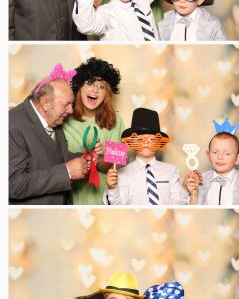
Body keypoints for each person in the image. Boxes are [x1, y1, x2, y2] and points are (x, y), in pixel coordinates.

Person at [9, 64, 88, 205]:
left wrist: (83, 158)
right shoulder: (12, 124)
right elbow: (14, 184)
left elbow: (52, 157)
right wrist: (66, 172)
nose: (71, 110)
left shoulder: (54, 118)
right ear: (45, 102)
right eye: (66, 104)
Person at [63, 58, 125, 205]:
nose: (95, 90)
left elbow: (115, 165)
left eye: (101, 87)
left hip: (101, 202)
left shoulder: (116, 121)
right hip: (69, 202)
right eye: (90, 83)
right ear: (80, 87)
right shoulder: (63, 117)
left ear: (106, 94)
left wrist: (100, 158)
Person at [103, 108, 193, 206]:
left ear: (159, 141)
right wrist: (112, 189)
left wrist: (185, 189)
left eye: (151, 139)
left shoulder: (171, 171)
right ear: (132, 141)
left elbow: (178, 204)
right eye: (140, 138)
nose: (146, 142)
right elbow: (119, 206)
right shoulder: (121, 175)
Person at [186, 123, 239, 205]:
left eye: (227, 154)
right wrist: (194, 195)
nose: (220, 157)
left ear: (238, 159)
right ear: (208, 156)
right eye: (215, 152)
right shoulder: (199, 180)